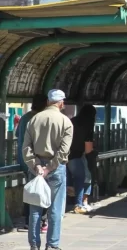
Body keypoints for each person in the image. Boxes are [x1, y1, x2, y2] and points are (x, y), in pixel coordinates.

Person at [23, 89, 73, 250]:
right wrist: (50, 167)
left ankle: (34, 244)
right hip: (56, 168)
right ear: (61, 103)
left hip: (36, 168)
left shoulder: (34, 120)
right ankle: (52, 244)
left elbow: (26, 147)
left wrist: (36, 165)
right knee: (55, 209)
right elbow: (64, 150)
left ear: (47, 102)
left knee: (35, 208)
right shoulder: (66, 122)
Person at [15, 94, 48, 231]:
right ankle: (39, 221)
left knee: (30, 189)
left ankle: (30, 220)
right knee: (40, 191)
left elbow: (18, 135)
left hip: (22, 158)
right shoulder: (38, 119)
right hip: (35, 160)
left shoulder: (24, 118)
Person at [67, 104, 97, 214]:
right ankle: (79, 205)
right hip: (76, 156)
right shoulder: (88, 126)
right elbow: (88, 149)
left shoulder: (72, 121)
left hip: (65, 155)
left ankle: (73, 199)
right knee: (81, 179)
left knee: (71, 179)